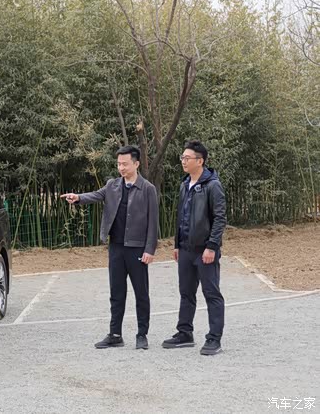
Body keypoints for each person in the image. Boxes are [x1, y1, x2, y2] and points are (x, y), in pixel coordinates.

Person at [61, 146, 159, 350]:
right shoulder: (112, 185)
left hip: (137, 248)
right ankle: (115, 334)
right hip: (116, 247)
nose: (121, 168)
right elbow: (96, 195)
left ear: (136, 164)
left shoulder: (147, 188)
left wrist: (150, 250)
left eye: (125, 164)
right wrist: (78, 198)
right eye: (119, 164)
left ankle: (142, 334)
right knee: (116, 293)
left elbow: (153, 222)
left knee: (141, 293)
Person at [162, 140, 227, 356]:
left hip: (205, 250)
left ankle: (214, 338)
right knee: (186, 293)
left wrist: (212, 246)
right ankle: (184, 333)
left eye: (187, 158)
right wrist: (177, 244)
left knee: (211, 293)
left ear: (200, 161)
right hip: (185, 249)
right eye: (182, 157)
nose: (183, 161)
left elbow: (219, 218)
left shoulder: (212, 185)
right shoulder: (185, 184)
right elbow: (181, 217)